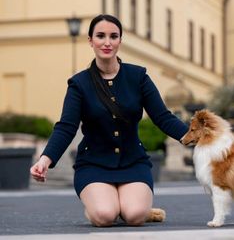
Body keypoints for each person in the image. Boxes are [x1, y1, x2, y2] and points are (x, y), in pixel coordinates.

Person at [30, 14, 188, 227]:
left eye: (113, 36)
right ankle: (102, 209)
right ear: (90, 41)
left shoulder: (138, 76)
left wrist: (197, 137)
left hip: (133, 162)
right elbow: (66, 127)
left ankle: (136, 209)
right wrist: (45, 159)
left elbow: (162, 117)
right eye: (100, 36)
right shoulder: (79, 83)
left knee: (134, 216)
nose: (107, 42)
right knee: (104, 216)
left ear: (120, 41)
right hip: (93, 164)